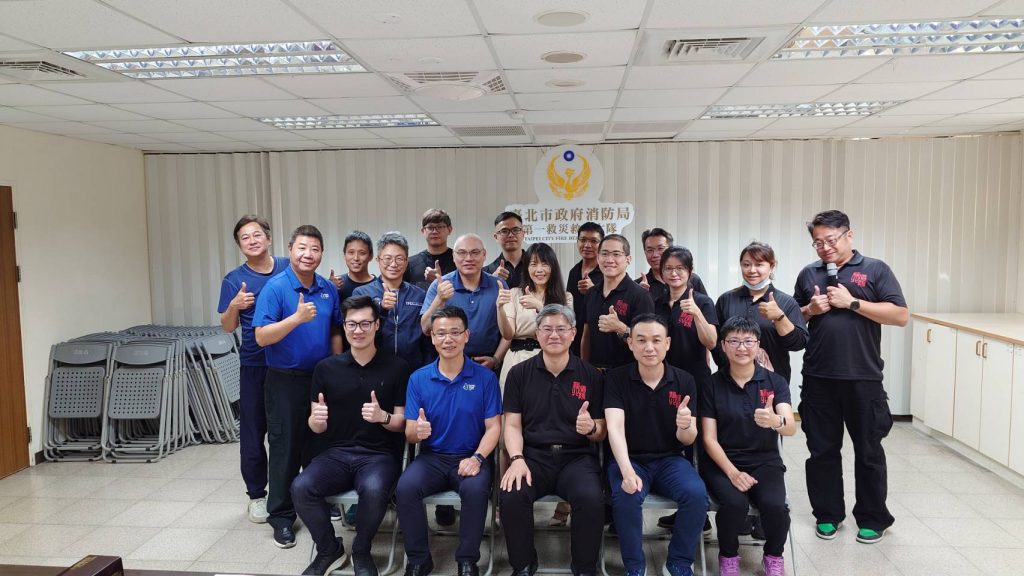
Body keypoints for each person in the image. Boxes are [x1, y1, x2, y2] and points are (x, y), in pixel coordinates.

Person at [793, 210, 908, 544]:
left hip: (863, 377)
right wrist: (810, 310)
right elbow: (792, 318)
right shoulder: (808, 273)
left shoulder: (875, 269)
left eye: (830, 240)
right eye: (818, 242)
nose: (824, 248)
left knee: (869, 451)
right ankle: (828, 515)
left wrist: (853, 302)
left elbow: (900, 315)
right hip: (818, 377)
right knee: (821, 451)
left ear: (849, 235)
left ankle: (872, 518)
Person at [292, 296, 409, 576]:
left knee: (373, 488)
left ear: (377, 325)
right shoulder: (326, 368)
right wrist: (315, 421)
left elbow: (402, 423)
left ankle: (361, 550)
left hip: (380, 455)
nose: (358, 330)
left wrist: (383, 417)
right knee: (301, 487)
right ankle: (329, 549)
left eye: (365, 323)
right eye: (352, 324)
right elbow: (316, 427)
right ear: (344, 327)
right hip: (336, 454)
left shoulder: (397, 367)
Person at [252, 224, 342, 549]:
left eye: (315, 249)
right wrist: (296, 319)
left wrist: (338, 367)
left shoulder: (327, 288)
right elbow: (261, 336)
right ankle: (281, 516)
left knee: (319, 445)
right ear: (290, 250)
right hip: (284, 380)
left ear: (321, 254)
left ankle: (317, 500)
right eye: (302, 247)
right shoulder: (276, 288)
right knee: (285, 447)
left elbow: (336, 330)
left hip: (320, 378)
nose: (308, 254)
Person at [500, 304, 606, 576]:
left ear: (573, 334)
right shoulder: (519, 374)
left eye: (561, 329)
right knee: (511, 496)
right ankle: (523, 565)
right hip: (532, 456)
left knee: (591, 498)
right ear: (537, 334)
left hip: (577, 458)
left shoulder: (591, 375)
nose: (554, 335)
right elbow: (511, 424)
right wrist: (516, 459)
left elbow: (602, 430)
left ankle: (584, 568)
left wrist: (592, 427)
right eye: (547, 329)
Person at [397, 306, 503, 576]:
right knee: (406, 487)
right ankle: (419, 559)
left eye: (455, 332)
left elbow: (494, 428)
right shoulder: (418, 378)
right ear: (432, 337)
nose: (448, 339)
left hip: (471, 455)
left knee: (476, 490)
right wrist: (417, 431)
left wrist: (477, 458)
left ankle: (467, 560)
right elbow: (409, 432)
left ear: (466, 336)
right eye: (441, 333)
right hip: (432, 457)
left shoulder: (486, 378)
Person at [605, 314, 706, 576]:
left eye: (656, 340)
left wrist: (685, 425)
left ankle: (679, 562)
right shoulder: (616, 379)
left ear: (667, 343)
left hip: (670, 459)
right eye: (641, 340)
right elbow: (614, 428)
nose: (649, 347)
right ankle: (634, 566)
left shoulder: (685, 380)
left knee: (696, 494)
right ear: (630, 343)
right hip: (630, 459)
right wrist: (627, 471)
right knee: (626, 496)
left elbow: (688, 439)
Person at [700, 316, 796, 576]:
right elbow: (708, 439)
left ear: (758, 344)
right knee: (734, 504)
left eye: (748, 341)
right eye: (734, 341)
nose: (741, 348)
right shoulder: (711, 384)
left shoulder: (775, 382)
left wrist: (775, 421)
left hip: (765, 461)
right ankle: (729, 556)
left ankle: (773, 555)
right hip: (722, 463)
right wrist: (733, 473)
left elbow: (790, 427)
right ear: (723, 346)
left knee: (776, 506)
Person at [217, 215, 289, 523]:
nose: (252, 240)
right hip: (255, 364)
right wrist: (234, 305)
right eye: (245, 237)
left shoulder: (288, 266)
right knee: (253, 431)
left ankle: (295, 490)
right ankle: (257, 495)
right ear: (239, 245)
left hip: (288, 362)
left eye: (257, 234)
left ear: (269, 238)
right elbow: (227, 326)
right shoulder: (234, 280)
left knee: (289, 431)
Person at [498, 242, 574, 526]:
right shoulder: (515, 293)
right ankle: (507, 501)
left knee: (555, 424)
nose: (538, 269)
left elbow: (565, 329)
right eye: (533, 263)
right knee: (509, 428)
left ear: (552, 267)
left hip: (551, 361)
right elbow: (508, 333)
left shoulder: (564, 297)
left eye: (544, 263)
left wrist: (542, 308)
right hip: (516, 359)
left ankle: (564, 505)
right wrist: (501, 308)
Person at [713, 241, 808, 383]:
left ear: (771, 267)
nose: (752, 270)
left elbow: (798, 344)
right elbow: (715, 340)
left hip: (773, 381)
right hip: (730, 380)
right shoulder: (726, 300)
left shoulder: (786, 302)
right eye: (746, 264)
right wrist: (730, 363)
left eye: (759, 264)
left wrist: (780, 317)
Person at [421, 234, 508, 371]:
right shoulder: (440, 285)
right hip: (448, 364)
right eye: (462, 253)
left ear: (484, 255)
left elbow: (509, 330)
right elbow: (426, 329)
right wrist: (439, 299)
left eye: (475, 252)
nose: (468, 258)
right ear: (454, 257)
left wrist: (496, 359)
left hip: (488, 365)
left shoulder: (499, 285)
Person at [353, 231, 428, 369]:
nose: (393, 264)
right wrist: (381, 308)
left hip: (412, 368)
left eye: (399, 259)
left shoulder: (419, 294)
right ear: (378, 260)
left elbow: (426, 336)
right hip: (375, 368)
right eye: (387, 258)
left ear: (406, 262)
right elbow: (358, 332)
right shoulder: (362, 293)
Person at [580, 234, 655, 370]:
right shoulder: (591, 294)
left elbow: (647, 341)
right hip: (593, 373)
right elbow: (586, 335)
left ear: (628, 259)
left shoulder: (640, 295)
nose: (609, 260)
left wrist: (620, 327)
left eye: (616, 254)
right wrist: (584, 368)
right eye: (604, 254)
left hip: (628, 374)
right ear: (598, 258)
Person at [654, 246, 718, 384]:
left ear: (690, 271)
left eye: (680, 268)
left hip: (695, 378)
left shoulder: (702, 302)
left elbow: (711, 342)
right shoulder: (657, 303)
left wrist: (697, 313)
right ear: (662, 272)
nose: (673, 273)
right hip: (664, 378)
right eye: (668, 268)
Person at [636, 228, 707, 301]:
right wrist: (640, 296)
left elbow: (706, 306)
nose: (655, 255)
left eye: (660, 248)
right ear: (645, 253)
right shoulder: (638, 286)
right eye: (650, 250)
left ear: (670, 250)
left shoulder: (692, 279)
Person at [565, 222, 604, 357]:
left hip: (599, 337)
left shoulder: (607, 272)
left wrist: (593, 291)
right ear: (577, 242)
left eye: (593, 241)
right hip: (575, 337)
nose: (587, 245)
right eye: (583, 240)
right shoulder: (573, 272)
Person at [406, 209, 456, 292]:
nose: (435, 231)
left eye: (440, 227)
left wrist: (439, 280)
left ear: (450, 230)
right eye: (430, 227)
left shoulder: (460, 261)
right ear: (423, 231)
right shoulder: (410, 263)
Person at [330, 230, 377, 301]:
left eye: (362, 253)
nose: (356, 258)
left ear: (370, 256)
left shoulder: (379, 286)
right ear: (344, 255)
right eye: (351, 252)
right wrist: (330, 288)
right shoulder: (336, 284)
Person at [484, 211, 527, 288]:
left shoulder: (537, 268)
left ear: (523, 234)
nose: (511, 235)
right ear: (496, 237)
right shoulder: (486, 272)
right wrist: (492, 280)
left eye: (515, 230)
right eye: (504, 231)